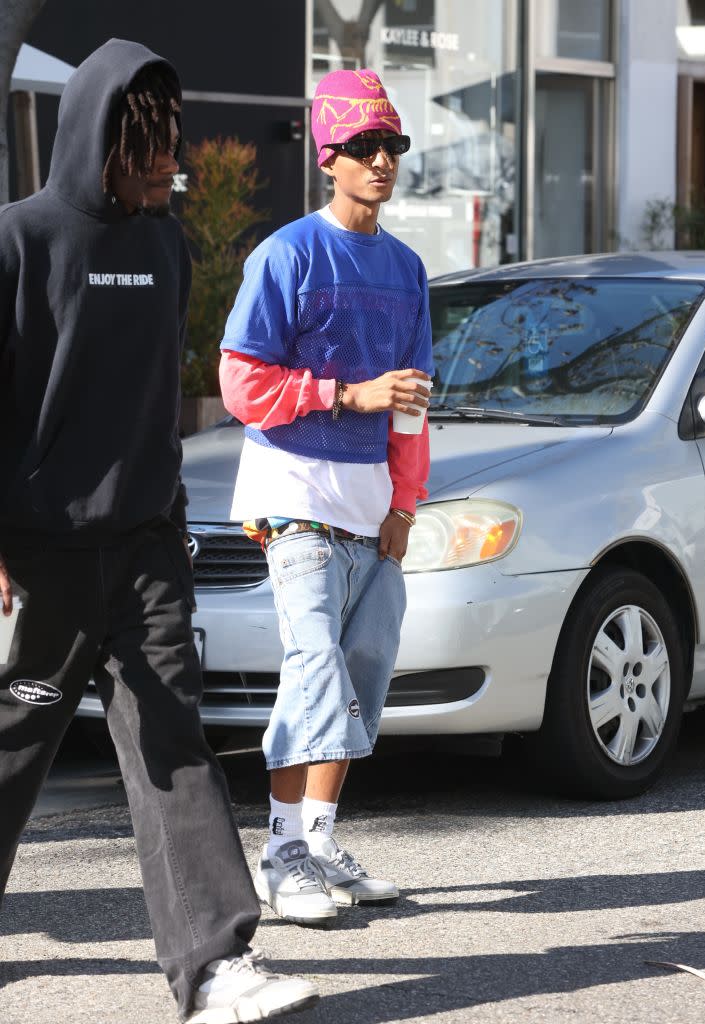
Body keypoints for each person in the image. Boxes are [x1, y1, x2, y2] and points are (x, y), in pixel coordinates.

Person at [0, 38, 318, 1023]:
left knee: (171, 743)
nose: (163, 164)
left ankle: (214, 966)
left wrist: (172, 532)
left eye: (169, 144)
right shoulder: (21, 241)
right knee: (12, 747)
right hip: (41, 555)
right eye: (144, 145)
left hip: (144, 550)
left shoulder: (166, 248)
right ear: (99, 141)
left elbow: (150, 415)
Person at [219, 67, 433, 927]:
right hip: (294, 494)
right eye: (365, 148)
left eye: (394, 147)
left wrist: (406, 506)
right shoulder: (287, 254)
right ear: (329, 158)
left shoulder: (409, 267)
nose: (382, 162)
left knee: (358, 676)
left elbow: (415, 399)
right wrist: (347, 395)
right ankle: (280, 855)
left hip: (371, 503)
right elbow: (240, 383)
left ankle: (319, 838)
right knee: (313, 667)